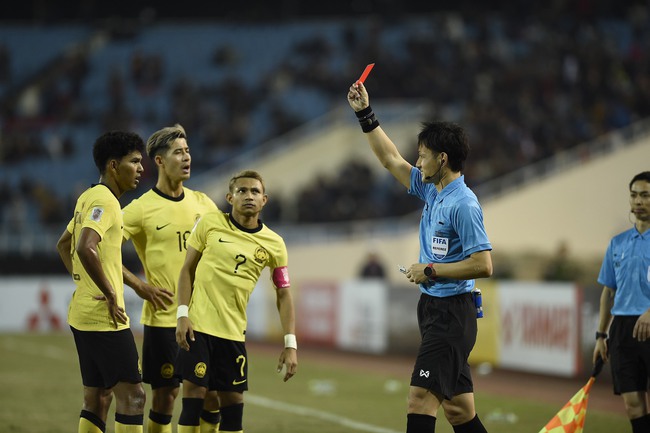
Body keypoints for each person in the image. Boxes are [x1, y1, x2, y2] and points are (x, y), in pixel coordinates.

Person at [347, 81, 493, 433]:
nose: (417, 161)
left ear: (442, 159)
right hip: (432, 309)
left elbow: (484, 265)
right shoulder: (432, 188)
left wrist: (430, 269)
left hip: (453, 315)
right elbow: (389, 159)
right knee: (459, 411)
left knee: (419, 400)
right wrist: (365, 113)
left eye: (423, 154)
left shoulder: (464, 204)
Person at [175, 170, 298, 433]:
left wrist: (290, 344)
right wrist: (182, 314)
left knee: (232, 403)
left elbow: (283, 293)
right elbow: (187, 270)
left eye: (255, 191)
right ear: (230, 197)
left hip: (232, 333)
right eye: (242, 191)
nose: (249, 196)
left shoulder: (275, 244)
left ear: (265, 200)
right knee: (194, 398)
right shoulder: (210, 223)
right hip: (198, 327)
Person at [121, 124, 221, 433]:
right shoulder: (140, 210)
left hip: (204, 320)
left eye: (188, 151)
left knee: (212, 396)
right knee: (166, 397)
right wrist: (138, 285)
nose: (187, 157)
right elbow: (102, 249)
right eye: (179, 152)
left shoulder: (204, 204)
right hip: (163, 319)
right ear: (160, 161)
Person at [55, 131, 146, 433]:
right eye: (134, 161)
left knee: (97, 399)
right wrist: (108, 292)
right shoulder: (106, 201)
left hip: (84, 315)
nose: (141, 168)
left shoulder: (87, 197)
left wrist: (84, 283)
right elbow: (83, 246)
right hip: (105, 320)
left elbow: (63, 244)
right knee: (133, 397)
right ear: (113, 165)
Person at [593, 171, 650, 433]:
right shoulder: (618, 242)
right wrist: (601, 335)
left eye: (645, 195)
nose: (638, 201)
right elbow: (608, 291)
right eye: (634, 195)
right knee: (632, 404)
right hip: (623, 329)